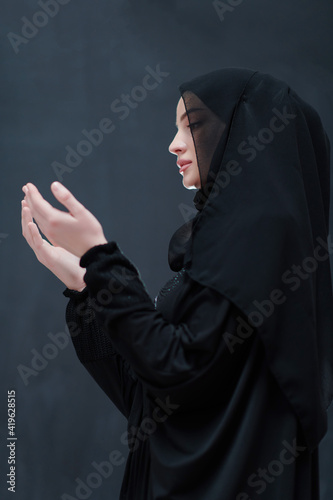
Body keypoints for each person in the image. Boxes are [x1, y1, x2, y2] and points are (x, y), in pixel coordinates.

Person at [21, 68, 333, 499]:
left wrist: (102, 258)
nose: (174, 144)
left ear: (247, 131)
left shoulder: (261, 233)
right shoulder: (228, 240)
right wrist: (86, 285)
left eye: (194, 124)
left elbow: (176, 368)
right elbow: (151, 396)